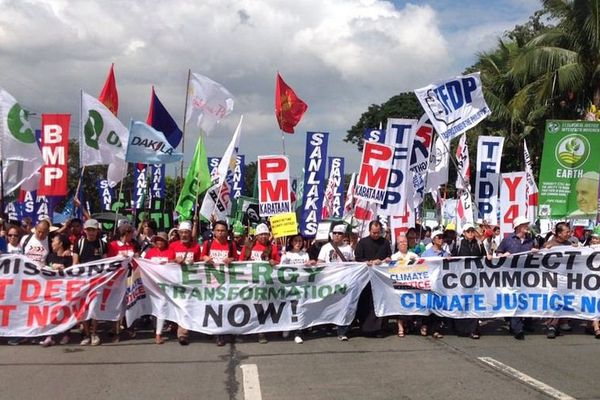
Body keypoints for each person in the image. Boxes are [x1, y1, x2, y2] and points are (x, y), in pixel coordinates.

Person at [496, 216, 539, 340]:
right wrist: (503, 255)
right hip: (511, 275)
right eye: (525, 225)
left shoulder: (531, 239)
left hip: (527, 275)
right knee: (515, 299)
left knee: (526, 299)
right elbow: (498, 252)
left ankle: (526, 322)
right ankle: (517, 328)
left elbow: (537, 253)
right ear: (518, 227)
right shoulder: (508, 239)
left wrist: (536, 251)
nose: (527, 227)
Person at [239, 223, 280, 343]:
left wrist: (274, 261)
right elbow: (240, 261)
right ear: (256, 236)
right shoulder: (248, 246)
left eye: (265, 234)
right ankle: (244, 331)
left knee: (262, 308)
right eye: (260, 234)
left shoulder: (273, 248)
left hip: (264, 283)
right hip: (249, 282)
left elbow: (278, 262)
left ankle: (261, 332)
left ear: (268, 235)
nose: (263, 237)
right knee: (247, 307)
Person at [201, 221, 237, 347]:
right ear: (214, 232)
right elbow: (201, 256)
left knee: (226, 306)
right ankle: (216, 333)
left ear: (227, 232)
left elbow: (236, 259)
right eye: (218, 230)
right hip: (210, 281)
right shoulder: (208, 243)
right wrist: (205, 258)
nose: (220, 233)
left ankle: (225, 332)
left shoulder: (231, 244)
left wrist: (231, 259)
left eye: (223, 231)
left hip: (226, 281)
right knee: (214, 306)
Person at [354, 220, 392, 337]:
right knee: (367, 303)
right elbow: (358, 258)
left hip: (381, 279)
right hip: (366, 279)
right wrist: (367, 262)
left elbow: (389, 256)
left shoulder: (385, 242)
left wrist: (386, 260)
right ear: (369, 231)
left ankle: (380, 329)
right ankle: (366, 329)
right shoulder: (363, 242)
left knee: (380, 303)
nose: (376, 235)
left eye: (378, 233)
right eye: (373, 233)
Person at [318, 224, 355, 341]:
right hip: (329, 281)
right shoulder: (325, 247)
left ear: (343, 235)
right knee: (328, 304)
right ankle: (327, 326)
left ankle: (342, 330)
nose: (337, 235)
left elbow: (353, 263)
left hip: (344, 281)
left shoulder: (348, 248)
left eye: (339, 233)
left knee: (344, 306)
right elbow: (320, 262)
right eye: (335, 233)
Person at [73, 219, 107, 346]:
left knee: (94, 308)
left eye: (93, 230)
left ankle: (94, 333)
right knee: (83, 308)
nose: (91, 232)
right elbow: (75, 263)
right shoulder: (79, 243)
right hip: (82, 281)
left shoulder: (102, 244)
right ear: (85, 230)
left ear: (97, 231)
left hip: (97, 281)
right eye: (89, 230)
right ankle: (86, 334)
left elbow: (106, 263)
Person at [169, 221, 202, 345]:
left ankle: (183, 332)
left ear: (190, 234)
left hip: (191, 281)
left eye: (186, 232)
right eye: (182, 232)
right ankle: (179, 329)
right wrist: (174, 260)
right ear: (178, 233)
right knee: (179, 305)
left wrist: (196, 264)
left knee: (188, 306)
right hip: (176, 280)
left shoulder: (196, 247)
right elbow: (167, 260)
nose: (184, 235)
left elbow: (200, 263)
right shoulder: (172, 246)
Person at [40, 234, 76, 347]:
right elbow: (45, 268)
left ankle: (66, 334)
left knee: (64, 311)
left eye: (54, 241)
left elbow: (73, 272)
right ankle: (49, 336)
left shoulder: (69, 258)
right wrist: (51, 267)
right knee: (50, 311)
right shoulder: (50, 256)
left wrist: (63, 268)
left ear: (60, 243)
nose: (51, 243)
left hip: (64, 289)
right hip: (51, 289)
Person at [451, 223, 485, 339]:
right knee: (461, 302)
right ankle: (461, 328)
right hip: (461, 278)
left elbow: (484, 257)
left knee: (473, 303)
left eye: (472, 231)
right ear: (464, 233)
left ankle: (473, 329)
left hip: (475, 278)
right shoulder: (459, 244)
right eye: (468, 231)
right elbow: (453, 258)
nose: (471, 233)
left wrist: (489, 257)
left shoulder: (479, 244)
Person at [543, 222, 577, 338]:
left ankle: (558, 323)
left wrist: (578, 250)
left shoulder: (570, 244)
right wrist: (544, 250)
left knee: (563, 301)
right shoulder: (549, 244)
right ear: (559, 233)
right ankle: (552, 324)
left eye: (569, 231)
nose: (569, 234)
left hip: (567, 279)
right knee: (554, 301)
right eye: (566, 232)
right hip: (552, 280)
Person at [280, 234, 315, 344]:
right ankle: (287, 327)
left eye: (300, 241)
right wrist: (284, 256)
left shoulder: (305, 255)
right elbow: (281, 269)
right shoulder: (287, 254)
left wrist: (310, 264)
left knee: (299, 308)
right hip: (288, 286)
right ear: (291, 242)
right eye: (295, 240)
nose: (298, 243)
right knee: (287, 307)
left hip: (301, 286)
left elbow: (307, 269)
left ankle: (298, 332)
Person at [144, 232, 175, 344]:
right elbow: (144, 264)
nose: (159, 242)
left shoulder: (171, 252)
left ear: (166, 241)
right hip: (151, 285)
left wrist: (169, 262)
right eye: (157, 240)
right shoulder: (150, 252)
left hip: (164, 285)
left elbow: (174, 265)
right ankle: (155, 328)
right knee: (153, 308)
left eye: (161, 240)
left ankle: (158, 334)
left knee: (162, 306)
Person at [419, 230, 446, 338]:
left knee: (438, 306)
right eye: (438, 237)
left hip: (440, 284)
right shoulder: (426, 253)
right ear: (433, 239)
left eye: (442, 237)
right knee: (428, 305)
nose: (441, 239)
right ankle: (424, 325)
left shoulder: (446, 254)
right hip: (429, 283)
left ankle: (435, 329)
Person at [390, 234, 418, 337]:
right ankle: (400, 326)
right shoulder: (394, 257)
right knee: (400, 306)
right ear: (397, 245)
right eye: (401, 242)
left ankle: (410, 325)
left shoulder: (414, 255)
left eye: (405, 242)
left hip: (412, 285)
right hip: (399, 285)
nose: (403, 244)